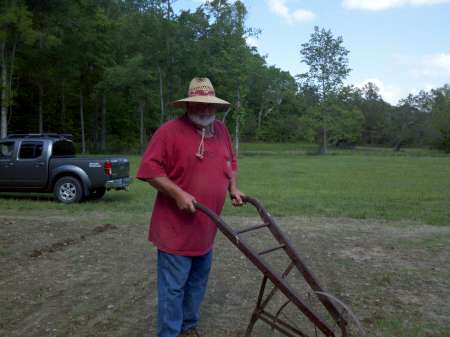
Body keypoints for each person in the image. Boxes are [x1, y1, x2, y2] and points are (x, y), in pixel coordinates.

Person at [136, 77, 245, 337]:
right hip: (175, 229)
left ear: (216, 107)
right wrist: (177, 193)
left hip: (206, 228)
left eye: (209, 106)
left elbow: (229, 163)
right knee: (173, 288)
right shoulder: (169, 132)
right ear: (188, 106)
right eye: (198, 105)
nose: (205, 110)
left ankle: (188, 328)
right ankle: (170, 334)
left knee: (197, 283)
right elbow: (149, 171)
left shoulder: (221, 130)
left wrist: (233, 188)